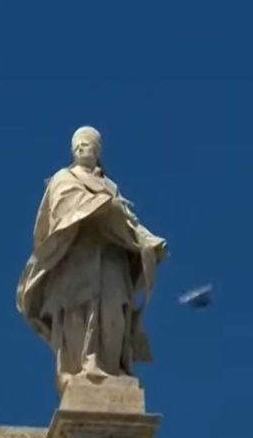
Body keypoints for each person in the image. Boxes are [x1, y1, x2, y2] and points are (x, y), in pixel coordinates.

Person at [16, 126, 167, 393]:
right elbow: (62, 211)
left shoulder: (110, 186)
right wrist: (100, 207)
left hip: (110, 259)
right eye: (78, 145)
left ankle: (111, 368)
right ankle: (82, 367)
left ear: (97, 151)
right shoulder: (63, 178)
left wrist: (147, 240)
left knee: (113, 312)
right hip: (77, 258)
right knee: (78, 312)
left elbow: (127, 221)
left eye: (88, 145)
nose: (82, 149)